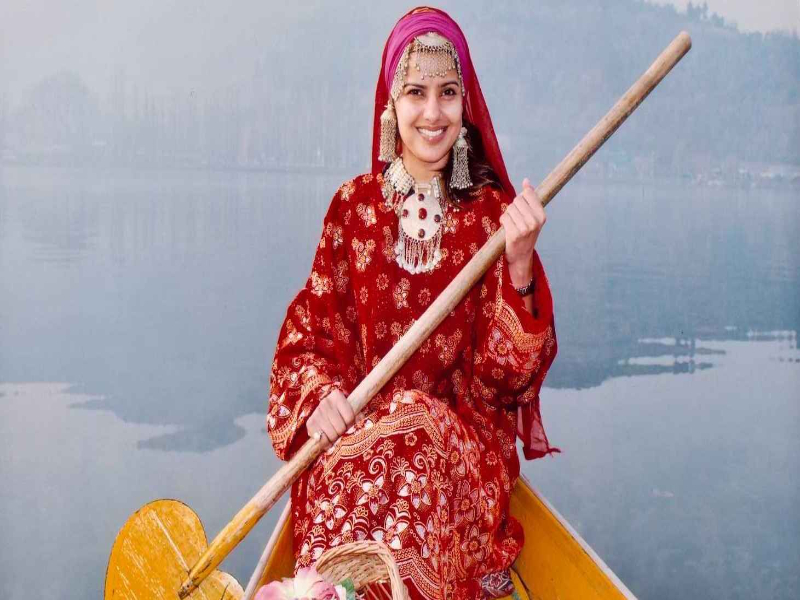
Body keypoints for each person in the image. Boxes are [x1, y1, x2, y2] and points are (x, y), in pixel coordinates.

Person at [267, 7, 558, 599]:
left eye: (448, 94)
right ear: (390, 104)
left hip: (458, 447)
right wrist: (321, 397)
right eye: (416, 93)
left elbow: (509, 381)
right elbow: (309, 337)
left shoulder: (491, 219)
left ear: (465, 104)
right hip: (361, 435)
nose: (432, 113)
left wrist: (520, 261)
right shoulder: (352, 209)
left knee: (417, 437)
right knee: (349, 469)